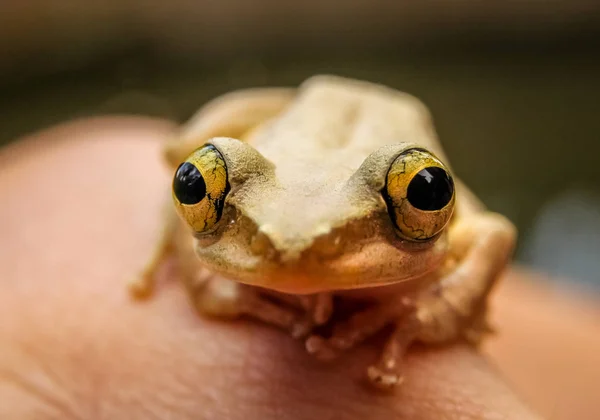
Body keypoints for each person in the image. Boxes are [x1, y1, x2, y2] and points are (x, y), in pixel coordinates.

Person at [1, 117, 598, 419]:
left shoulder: (427, 204)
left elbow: (489, 231)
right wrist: (201, 274)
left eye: (422, 196)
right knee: (194, 154)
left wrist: (437, 311)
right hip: (301, 126)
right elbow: (191, 175)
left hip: (374, 141)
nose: (298, 251)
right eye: (201, 194)